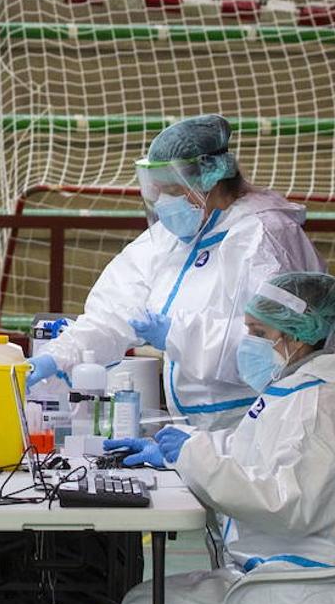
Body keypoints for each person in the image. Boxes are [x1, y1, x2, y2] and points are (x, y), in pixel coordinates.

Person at [109, 272, 335, 604]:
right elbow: (257, 455)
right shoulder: (300, 387)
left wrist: (193, 457)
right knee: (179, 599)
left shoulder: (319, 400)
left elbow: (287, 504)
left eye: (258, 333)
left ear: (295, 335)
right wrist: (177, 452)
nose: (247, 344)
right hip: (296, 578)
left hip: (304, 594)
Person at [27, 114, 323, 431]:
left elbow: (282, 346)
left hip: (261, 422)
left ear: (210, 178)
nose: (163, 202)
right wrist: (57, 358)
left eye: (172, 190)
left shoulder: (264, 236)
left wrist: (178, 333)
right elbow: (113, 313)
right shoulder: (169, 241)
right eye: (157, 192)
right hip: (193, 427)